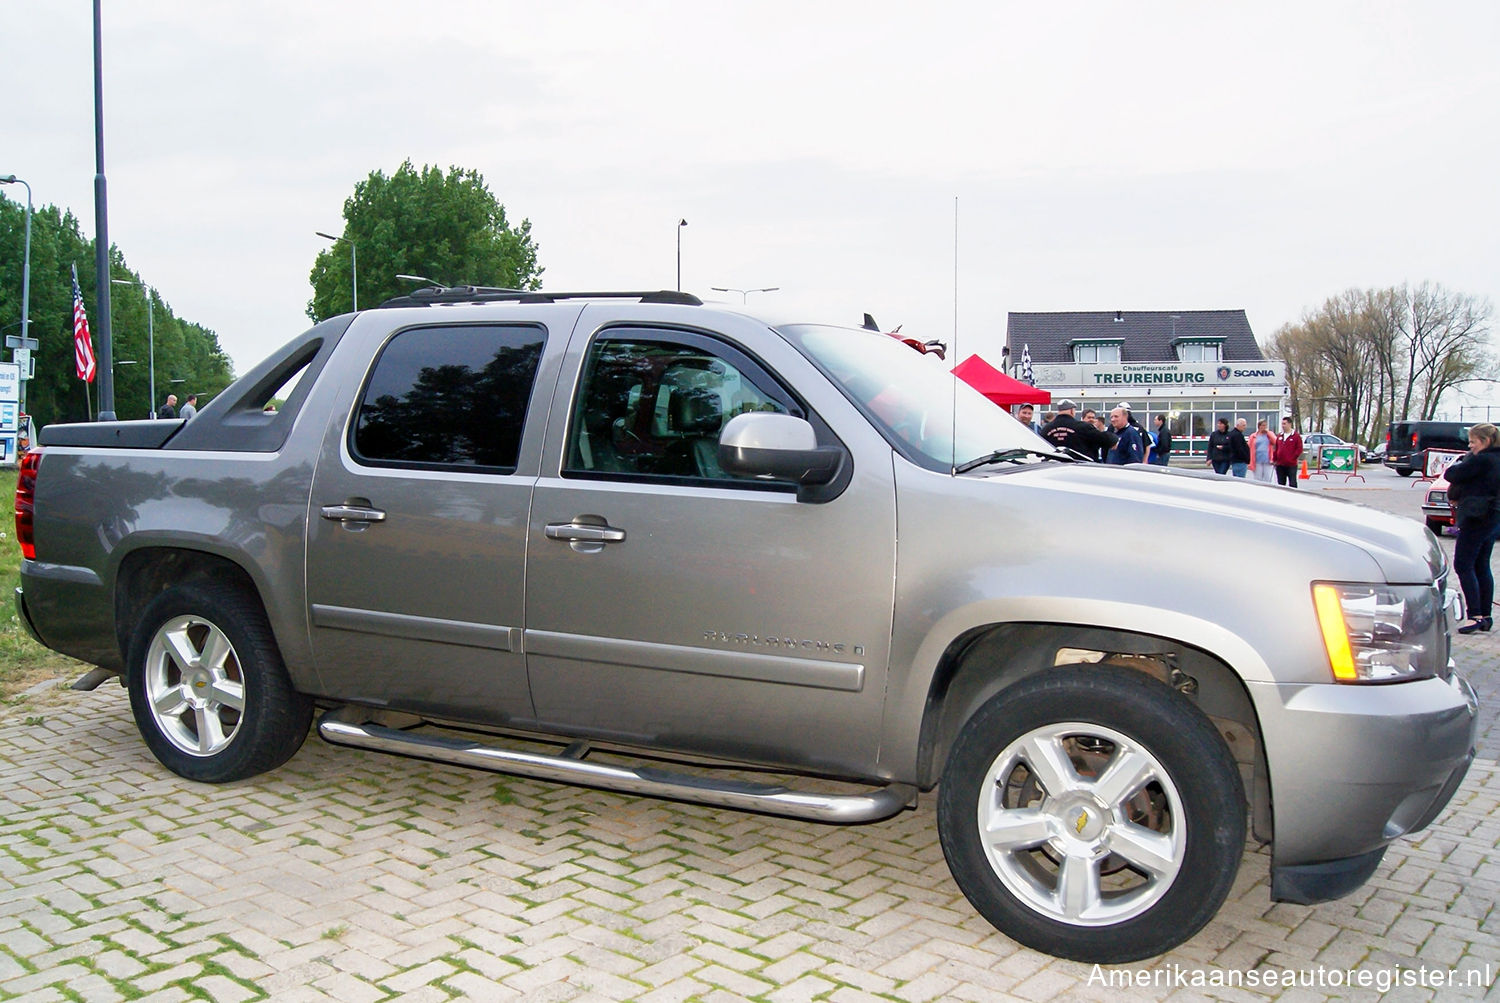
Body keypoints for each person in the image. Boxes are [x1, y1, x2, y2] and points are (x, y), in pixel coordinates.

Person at [1445, 422, 1500, 634]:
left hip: (1477, 516)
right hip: (1493, 516)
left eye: (1473, 442)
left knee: (1464, 564)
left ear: (1485, 441)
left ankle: (1474, 615)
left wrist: (1466, 460)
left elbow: (1452, 474)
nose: (1470, 446)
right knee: (1481, 565)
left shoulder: (1482, 460)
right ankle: (1485, 615)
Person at [1040, 399, 1116, 461]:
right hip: (1080, 469)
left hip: (1053, 470)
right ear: (1072, 411)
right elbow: (1104, 439)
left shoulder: (1046, 429)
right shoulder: (1082, 427)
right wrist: (1114, 439)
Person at [1273, 417, 1303, 487]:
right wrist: (1275, 459)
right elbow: (1276, 448)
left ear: (1289, 424)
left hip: (1291, 464)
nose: (1283, 426)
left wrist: (1292, 458)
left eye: (1284, 424)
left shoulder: (1296, 436)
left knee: (1292, 483)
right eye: (1282, 424)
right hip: (1280, 464)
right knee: (1281, 483)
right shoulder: (1280, 435)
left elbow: (1299, 449)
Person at [1247, 419, 1277, 483]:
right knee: (1258, 478)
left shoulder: (1270, 434)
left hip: (1268, 460)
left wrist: (1268, 433)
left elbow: (1275, 442)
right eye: (1263, 425)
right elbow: (1249, 446)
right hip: (1257, 459)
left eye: (1265, 425)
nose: (1264, 427)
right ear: (1259, 426)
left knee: (1268, 478)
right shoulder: (1253, 436)